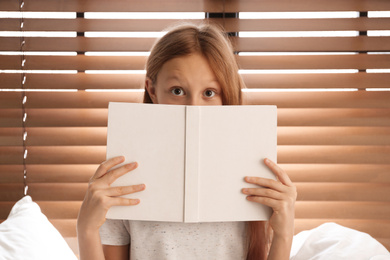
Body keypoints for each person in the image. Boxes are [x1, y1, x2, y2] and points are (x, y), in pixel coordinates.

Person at [77, 22, 297, 260]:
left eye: (209, 93)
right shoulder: (123, 178)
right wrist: (86, 229)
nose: (194, 108)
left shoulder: (252, 171)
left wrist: (284, 234)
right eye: (177, 91)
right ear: (152, 90)